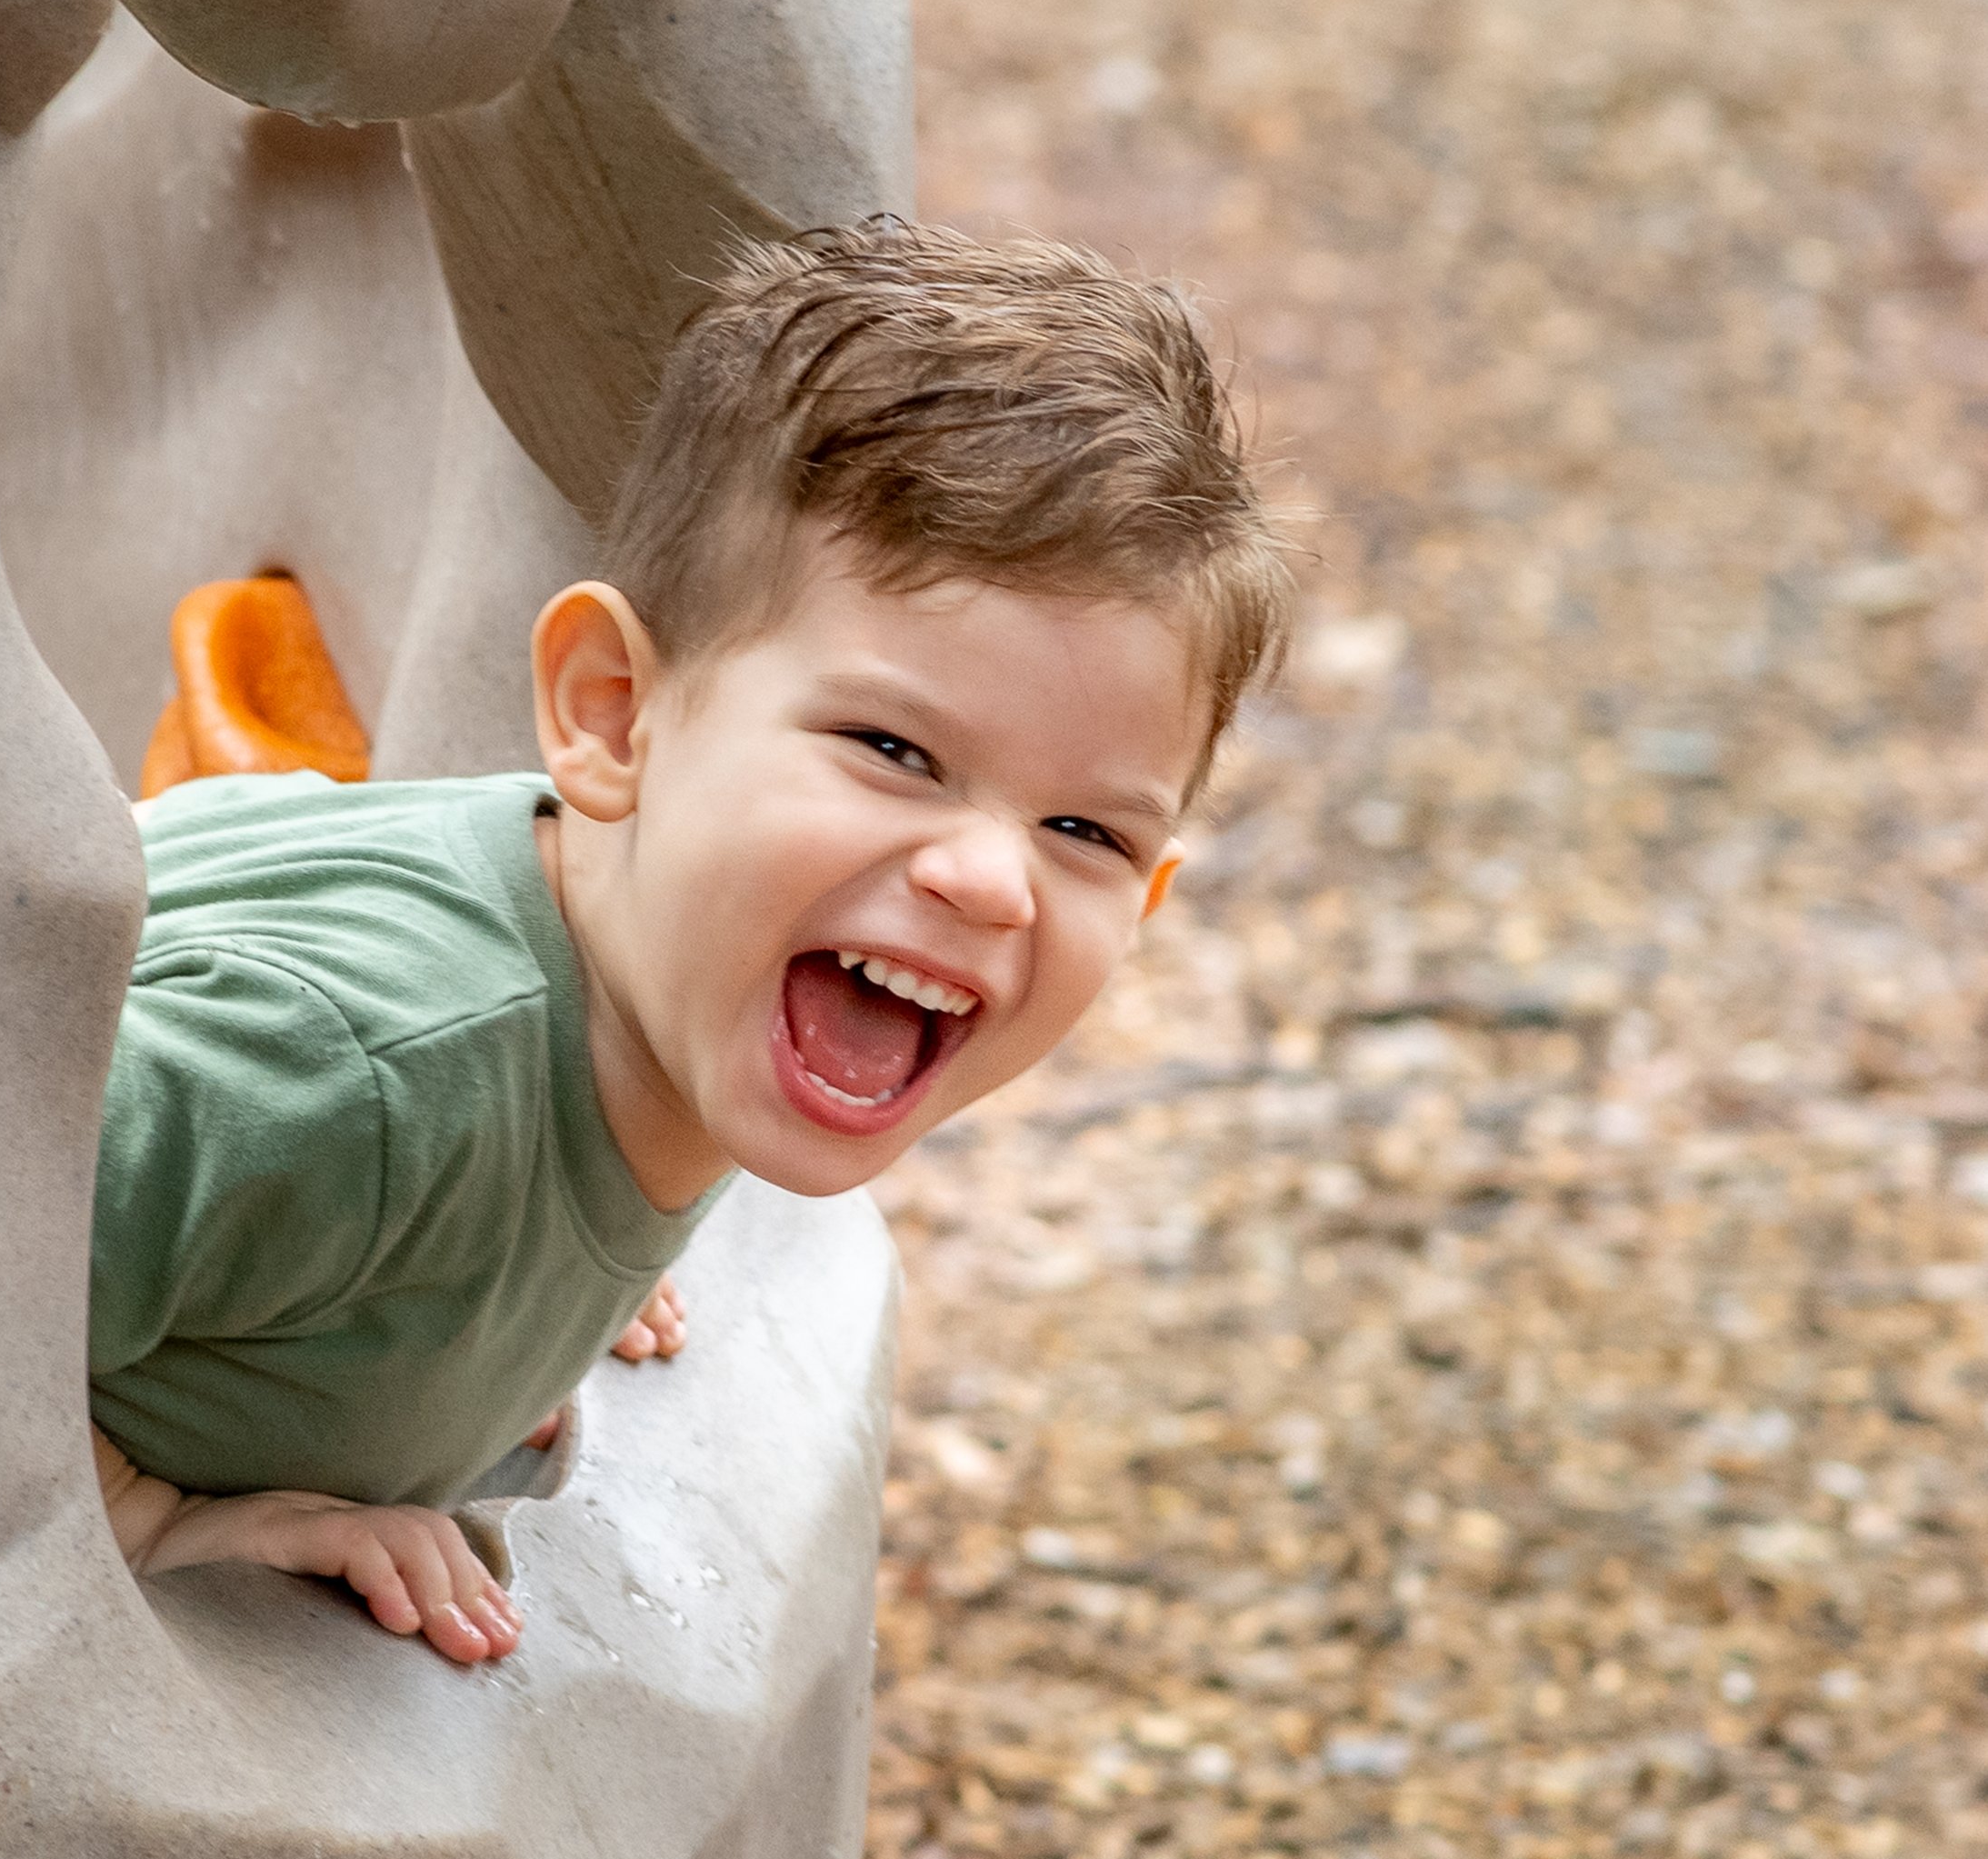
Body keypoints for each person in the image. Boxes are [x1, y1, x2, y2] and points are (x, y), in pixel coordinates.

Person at [90, 223, 1288, 1664]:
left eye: (1087, 835)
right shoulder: (350, 1079)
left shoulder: (664, 998)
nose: (990, 879)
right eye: (895, 747)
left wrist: (497, 1291)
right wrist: (141, 1515)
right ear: (611, 714)